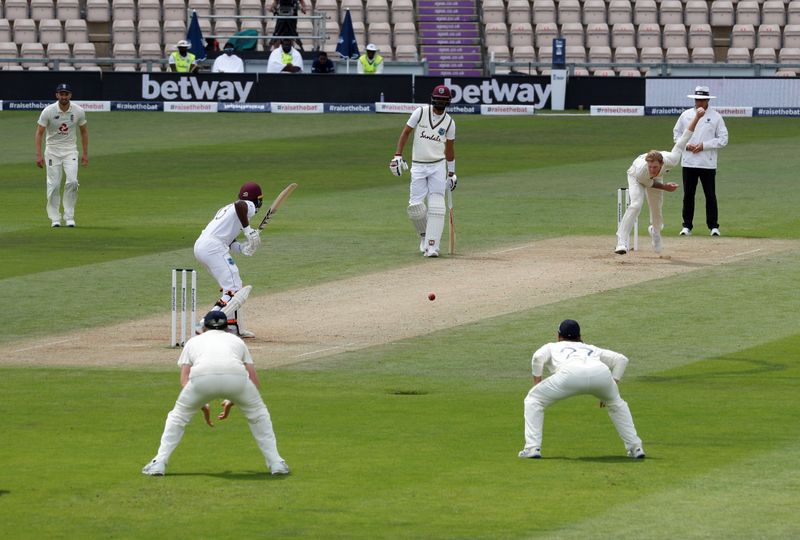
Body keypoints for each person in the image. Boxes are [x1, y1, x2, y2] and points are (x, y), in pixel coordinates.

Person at [142, 310, 290, 476]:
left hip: (201, 380)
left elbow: (184, 380)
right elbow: (254, 382)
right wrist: (233, 399)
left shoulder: (193, 341)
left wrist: (201, 403)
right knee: (259, 415)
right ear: (227, 328)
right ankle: (276, 463)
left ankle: (159, 463)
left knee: (178, 417)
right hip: (236, 380)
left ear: (204, 327)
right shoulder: (237, 341)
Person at [519, 319, 645, 460]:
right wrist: (612, 385)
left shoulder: (551, 346)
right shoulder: (591, 348)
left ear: (558, 336)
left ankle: (532, 448)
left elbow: (537, 357)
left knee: (533, 399)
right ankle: (635, 447)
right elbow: (621, 360)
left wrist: (537, 384)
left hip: (570, 374)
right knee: (617, 404)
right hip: (601, 374)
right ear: (579, 336)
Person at [615, 106, 706, 255]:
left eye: (655, 167)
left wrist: (697, 117)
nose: (652, 169)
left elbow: (684, 137)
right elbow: (648, 182)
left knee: (656, 211)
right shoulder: (643, 170)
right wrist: (665, 187)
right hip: (635, 177)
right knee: (636, 204)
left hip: (655, 179)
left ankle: (655, 232)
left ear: (662, 164)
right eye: (650, 166)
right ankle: (622, 241)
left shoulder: (672, 159)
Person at [390, 85, 457, 258]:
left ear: (448, 102)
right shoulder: (420, 112)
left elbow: (450, 149)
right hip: (418, 165)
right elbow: (405, 133)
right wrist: (398, 155)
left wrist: (451, 173)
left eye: (444, 100)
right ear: (433, 98)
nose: (440, 102)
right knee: (415, 208)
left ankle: (433, 246)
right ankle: (425, 236)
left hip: (437, 165)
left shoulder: (449, 122)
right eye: (438, 99)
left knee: (436, 206)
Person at [193, 182, 264, 338]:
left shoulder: (227, 210)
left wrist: (242, 248)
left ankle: (234, 328)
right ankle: (204, 324)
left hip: (203, 246)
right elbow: (241, 204)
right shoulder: (247, 205)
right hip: (213, 247)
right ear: (258, 200)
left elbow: (227, 238)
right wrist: (248, 231)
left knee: (232, 288)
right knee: (234, 290)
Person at [673, 86, 729, 237]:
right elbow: (676, 134)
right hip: (689, 162)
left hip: (707, 163)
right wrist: (686, 145)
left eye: (702, 100)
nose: (699, 102)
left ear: (707, 100)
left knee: (710, 195)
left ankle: (713, 227)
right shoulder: (685, 115)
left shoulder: (716, 117)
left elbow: (723, 139)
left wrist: (704, 146)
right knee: (688, 195)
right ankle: (687, 226)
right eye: (697, 100)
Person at [34, 83, 89, 228]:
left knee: (72, 182)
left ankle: (69, 217)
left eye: (66, 94)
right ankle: (55, 218)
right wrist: (39, 155)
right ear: (57, 95)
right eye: (61, 94)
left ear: (70, 95)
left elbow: (84, 131)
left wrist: (85, 154)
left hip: (70, 150)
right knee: (54, 185)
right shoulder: (49, 111)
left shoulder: (78, 111)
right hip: (52, 151)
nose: (64, 97)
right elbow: (39, 133)